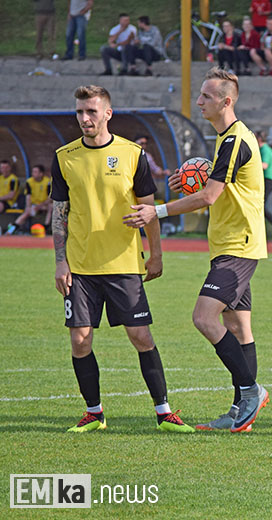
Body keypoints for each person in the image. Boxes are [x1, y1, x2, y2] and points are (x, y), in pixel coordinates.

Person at [124, 68, 268, 434]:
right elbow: (216, 187)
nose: (199, 101)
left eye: (206, 96)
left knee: (204, 318)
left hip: (239, 246)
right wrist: (188, 181)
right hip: (230, 245)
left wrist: (156, 211)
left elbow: (209, 197)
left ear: (226, 101)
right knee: (238, 327)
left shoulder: (235, 140)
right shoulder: (227, 139)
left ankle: (251, 391)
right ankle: (240, 411)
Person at [50, 85, 193, 433]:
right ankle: (94, 413)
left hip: (124, 264)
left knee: (141, 336)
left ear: (108, 114)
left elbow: (149, 211)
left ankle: (164, 413)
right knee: (80, 340)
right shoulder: (64, 157)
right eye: (80, 111)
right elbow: (59, 213)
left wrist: (156, 254)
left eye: (92, 111)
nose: (85, 118)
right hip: (80, 266)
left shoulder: (132, 154)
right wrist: (60, 261)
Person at [6, 164, 52, 235]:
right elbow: (28, 196)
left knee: (51, 207)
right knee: (26, 213)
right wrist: (28, 207)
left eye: (35, 172)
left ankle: (45, 228)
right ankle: (11, 230)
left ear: (41, 174)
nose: (33, 174)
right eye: (33, 172)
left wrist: (40, 206)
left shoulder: (47, 182)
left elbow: (50, 197)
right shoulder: (29, 181)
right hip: (34, 205)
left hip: (44, 204)